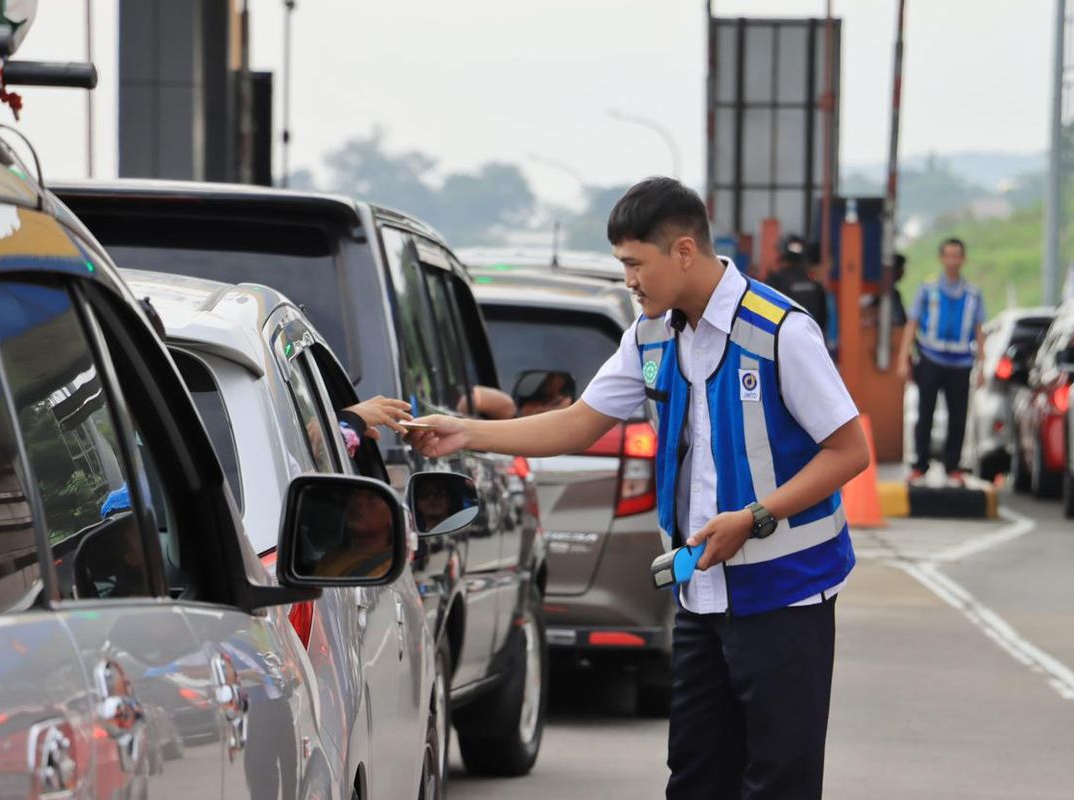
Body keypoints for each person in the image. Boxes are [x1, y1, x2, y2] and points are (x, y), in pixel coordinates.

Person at [408, 177, 869, 800]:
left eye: (633, 263)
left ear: (682, 251)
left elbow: (850, 451)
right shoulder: (651, 336)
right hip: (701, 595)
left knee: (779, 780)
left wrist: (756, 517)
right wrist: (465, 434)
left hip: (787, 594)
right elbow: (577, 423)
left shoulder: (780, 331)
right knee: (696, 778)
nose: (628, 279)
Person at [895, 237, 986, 486]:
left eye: (957, 255)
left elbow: (979, 330)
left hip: (960, 363)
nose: (953, 260)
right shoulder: (928, 289)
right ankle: (920, 465)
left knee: (958, 417)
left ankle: (953, 466)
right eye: (948, 255)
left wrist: (982, 365)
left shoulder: (972, 294)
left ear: (963, 259)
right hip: (930, 359)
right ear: (941, 258)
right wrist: (903, 358)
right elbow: (912, 323)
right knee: (925, 413)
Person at [766, 234, 828, 335]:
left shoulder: (775, 281)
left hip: (783, 340)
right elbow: (823, 318)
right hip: (810, 339)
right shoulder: (814, 283)